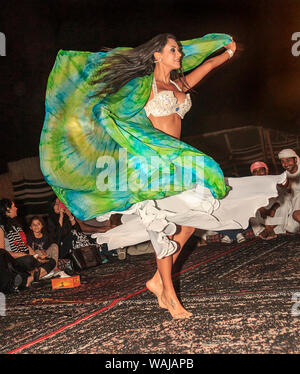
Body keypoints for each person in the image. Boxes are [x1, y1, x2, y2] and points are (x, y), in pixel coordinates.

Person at [40, 33, 285, 319]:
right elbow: (109, 109)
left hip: (176, 161)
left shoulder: (176, 84)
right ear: (156, 55)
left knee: (190, 222)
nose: (179, 53)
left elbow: (204, 69)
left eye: (180, 49)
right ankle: (168, 294)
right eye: (173, 49)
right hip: (153, 164)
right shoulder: (143, 87)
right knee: (163, 229)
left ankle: (157, 281)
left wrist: (226, 53)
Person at [0, 199, 56, 281]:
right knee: (29, 260)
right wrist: (22, 255)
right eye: (13, 206)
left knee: (51, 261)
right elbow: (2, 253)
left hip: (26, 257)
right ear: (8, 210)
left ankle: (30, 278)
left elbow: (25, 245)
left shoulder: (16, 226)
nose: (16, 208)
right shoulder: (1, 228)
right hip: (15, 260)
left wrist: (37, 257)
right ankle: (37, 274)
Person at [277, 149, 300, 233]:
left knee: (296, 215)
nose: (285, 164)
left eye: (288, 160)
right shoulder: (285, 176)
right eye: (282, 161)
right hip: (296, 203)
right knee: (289, 228)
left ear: (295, 160)